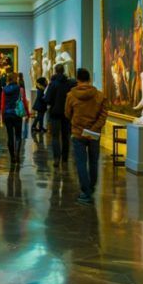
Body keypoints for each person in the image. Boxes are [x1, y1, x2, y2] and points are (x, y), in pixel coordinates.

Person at [66, 68, 107, 204]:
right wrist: (94, 128)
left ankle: (85, 191)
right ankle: (91, 187)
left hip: (78, 133)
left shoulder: (71, 95)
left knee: (81, 162)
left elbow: (67, 113)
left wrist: (77, 124)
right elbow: (103, 115)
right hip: (94, 134)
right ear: (89, 79)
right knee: (94, 161)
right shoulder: (100, 95)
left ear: (77, 79)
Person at [44, 64, 74, 167]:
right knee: (66, 136)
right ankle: (65, 159)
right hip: (66, 113)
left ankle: (57, 158)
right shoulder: (69, 83)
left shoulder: (53, 84)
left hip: (55, 113)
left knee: (55, 137)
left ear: (55, 71)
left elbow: (47, 99)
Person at [0, 74, 30, 163]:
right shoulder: (20, 89)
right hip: (17, 114)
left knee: (10, 136)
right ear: (15, 79)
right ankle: (17, 154)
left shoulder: (4, 90)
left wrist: (2, 116)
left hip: (7, 114)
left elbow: (2, 104)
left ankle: (12, 157)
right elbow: (24, 101)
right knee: (18, 136)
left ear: (8, 80)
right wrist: (27, 113)